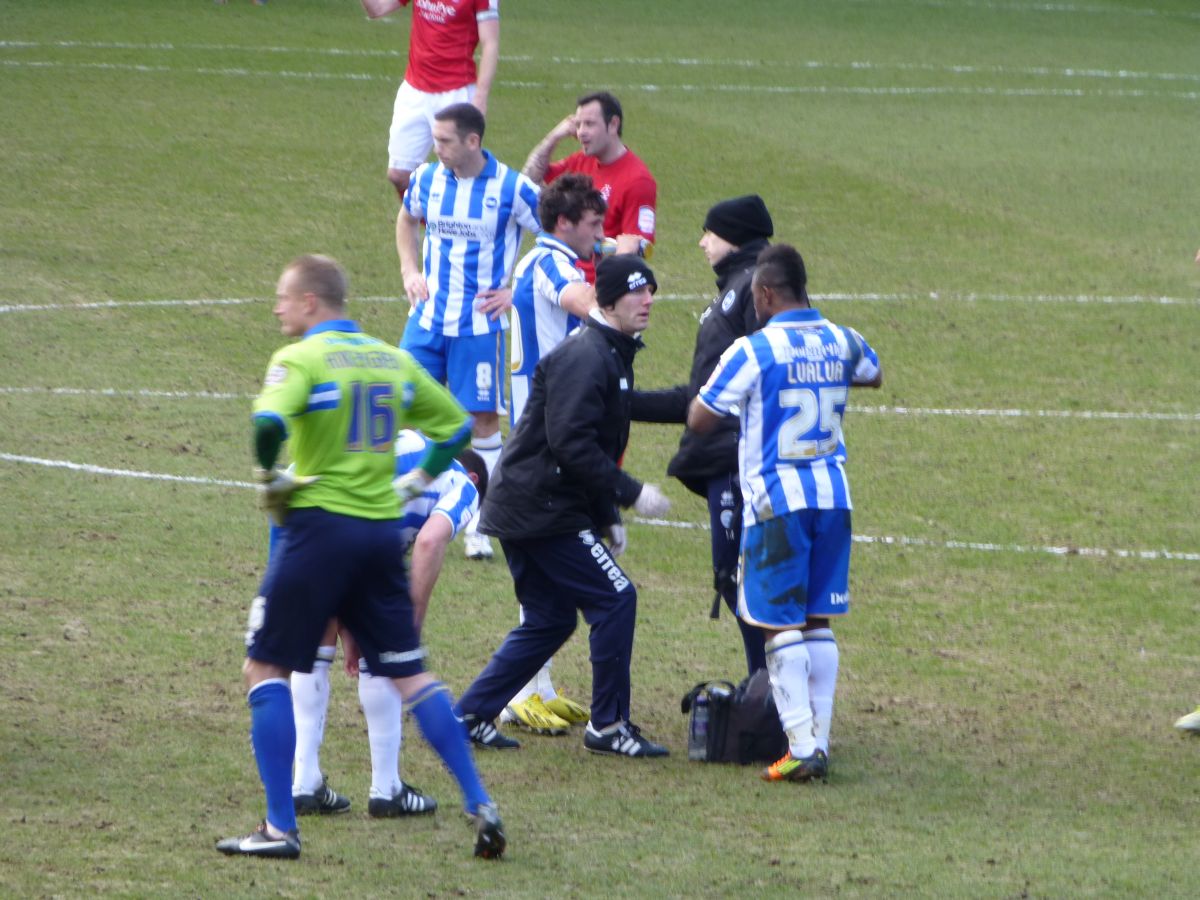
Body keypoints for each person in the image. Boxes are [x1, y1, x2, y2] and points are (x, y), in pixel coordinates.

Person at [217, 254, 505, 860]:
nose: (277, 309)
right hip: (379, 536)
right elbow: (456, 428)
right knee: (411, 674)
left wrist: (270, 473)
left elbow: (268, 421)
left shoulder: (299, 358)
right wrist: (414, 481)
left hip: (319, 530)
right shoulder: (389, 357)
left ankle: (278, 826)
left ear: (311, 303)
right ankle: (479, 799)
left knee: (264, 669)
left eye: (283, 299)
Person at [455, 255, 673, 758]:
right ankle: (608, 726)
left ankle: (469, 714)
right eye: (636, 293)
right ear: (607, 302)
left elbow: (593, 436)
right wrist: (630, 493)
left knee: (550, 619)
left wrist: (605, 516)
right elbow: (573, 445)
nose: (648, 301)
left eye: (651, 291)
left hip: (527, 504)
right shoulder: (587, 357)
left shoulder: (609, 353)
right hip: (541, 508)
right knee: (616, 598)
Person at [687, 244, 882, 783]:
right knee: (818, 619)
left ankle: (800, 747)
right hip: (832, 497)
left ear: (767, 294)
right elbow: (873, 373)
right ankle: (818, 738)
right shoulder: (842, 339)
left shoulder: (754, 351)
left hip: (777, 502)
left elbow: (700, 418)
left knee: (777, 624)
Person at [286, 432, 488, 820]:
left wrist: (353, 622)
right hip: (347, 510)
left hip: (306, 495)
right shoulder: (463, 482)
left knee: (315, 643)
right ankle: (386, 788)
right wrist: (405, 628)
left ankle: (305, 783)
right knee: (393, 657)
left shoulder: (413, 444)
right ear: (478, 480)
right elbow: (429, 542)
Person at [631, 195, 776, 678]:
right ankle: (769, 688)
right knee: (738, 580)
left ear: (732, 236)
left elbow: (765, 376)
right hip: (724, 458)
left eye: (709, 233)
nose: (701, 242)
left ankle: (768, 691)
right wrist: (623, 402)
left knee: (743, 581)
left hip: (738, 461)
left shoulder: (755, 290)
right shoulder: (737, 288)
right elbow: (702, 395)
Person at [396, 102, 540, 561]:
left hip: (478, 326)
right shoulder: (427, 180)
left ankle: (481, 520)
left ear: (472, 141)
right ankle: (403, 513)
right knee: (401, 406)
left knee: (480, 420)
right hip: (427, 319)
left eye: (444, 141)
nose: (436, 148)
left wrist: (515, 291)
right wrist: (409, 270)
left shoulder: (513, 188)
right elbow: (406, 220)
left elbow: (554, 239)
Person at [497, 173, 605, 735]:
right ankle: (520, 690)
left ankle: (537, 685)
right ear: (565, 223)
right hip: (542, 429)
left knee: (548, 558)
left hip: (541, 423)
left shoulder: (547, 258)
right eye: (593, 224)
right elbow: (583, 303)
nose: (600, 234)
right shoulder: (550, 263)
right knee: (541, 558)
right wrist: (617, 287)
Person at [360, 0, 500, 200]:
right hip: (414, 91)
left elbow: (490, 42)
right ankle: (430, 228)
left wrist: (480, 96)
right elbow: (378, 9)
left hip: (456, 92)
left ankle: (458, 228)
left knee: (461, 177)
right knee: (399, 175)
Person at [522, 91, 656, 281]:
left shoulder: (638, 181)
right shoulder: (581, 161)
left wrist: (602, 294)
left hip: (592, 290)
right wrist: (554, 137)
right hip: (560, 275)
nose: (580, 132)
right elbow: (529, 180)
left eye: (589, 124)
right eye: (577, 125)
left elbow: (634, 249)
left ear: (613, 125)